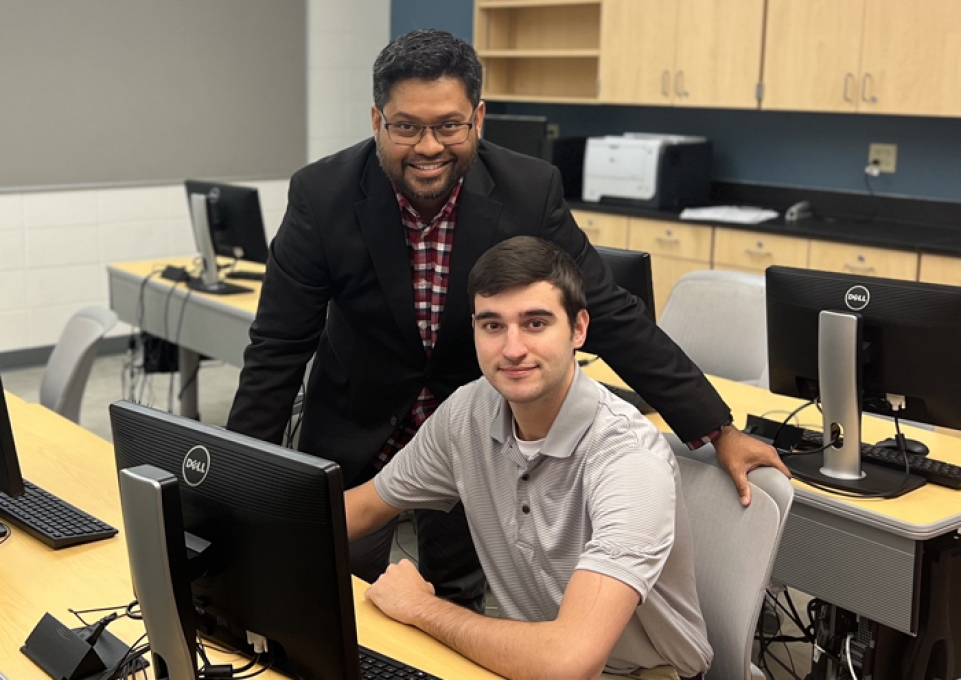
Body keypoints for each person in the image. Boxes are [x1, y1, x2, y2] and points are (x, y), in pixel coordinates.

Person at [226, 28, 786, 612]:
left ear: (478, 119)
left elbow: (611, 313)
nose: (427, 146)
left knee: (455, 608)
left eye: (448, 125)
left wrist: (716, 430)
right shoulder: (323, 194)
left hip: (473, 441)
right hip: (354, 428)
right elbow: (277, 348)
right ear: (377, 120)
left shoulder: (528, 190)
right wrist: (235, 482)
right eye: (406, 126)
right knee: (330, 597)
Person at [346, 236, 712, 680]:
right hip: (528, 660)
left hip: (637, 673)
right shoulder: (469, 412)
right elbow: (362, 507)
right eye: (493, 326)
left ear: (579, 329)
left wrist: (422, 608)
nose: (512, 349)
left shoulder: (627, 459)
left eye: (535, 323)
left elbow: (568, 661)